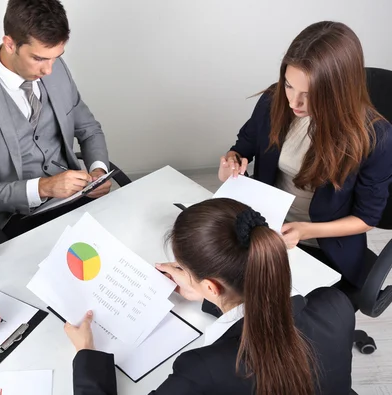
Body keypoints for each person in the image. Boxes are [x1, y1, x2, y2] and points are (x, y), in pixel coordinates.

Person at [65, 198, 355, 395]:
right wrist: (207, 297)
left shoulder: (202, 370)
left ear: (212, 285)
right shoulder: (335, 304)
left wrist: (87, 356)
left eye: (184, 270)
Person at [217, 21, 392, 286]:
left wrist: (306, 230)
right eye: (288, 85)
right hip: (265, 224)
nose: (293, 102)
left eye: (309, 95)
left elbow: (367, 218)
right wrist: (232, 160)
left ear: (339, 92)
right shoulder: (273, 101)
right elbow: (244, 145)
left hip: (324, 244)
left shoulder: (375, 137)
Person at [0, 0, 111, 239]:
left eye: (56, 57)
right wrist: (44, 187)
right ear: (10, 44)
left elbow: (88, 128)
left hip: (76, 198)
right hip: (19, 218)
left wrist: (98, 171)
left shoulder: (56, 69)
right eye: (39, 59)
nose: (49, 71)